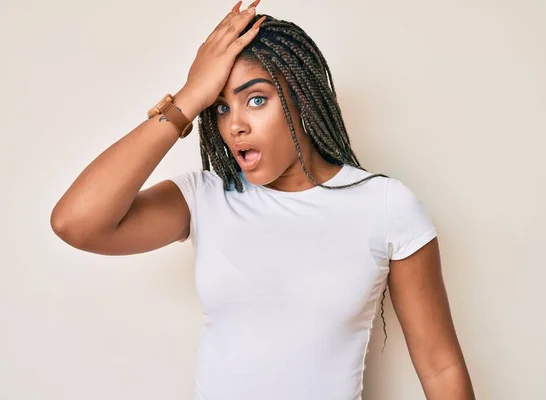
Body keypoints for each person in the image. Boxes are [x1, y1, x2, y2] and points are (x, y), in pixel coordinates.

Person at [50, 1, 475, 399]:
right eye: (218, 107)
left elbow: (440, 367)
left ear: (303, 99)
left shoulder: (384, 205)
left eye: (256, 100)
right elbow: (76, 222)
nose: (234, 125)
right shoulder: (207, 197)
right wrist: (187, 98)